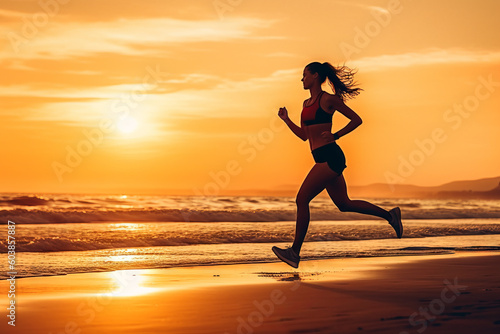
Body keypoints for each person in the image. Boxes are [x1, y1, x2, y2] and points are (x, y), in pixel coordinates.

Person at [272, 61, 403, 269]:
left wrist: (336, 135)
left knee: (301, 199)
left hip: (331, 157)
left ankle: (294, 252)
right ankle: (390, 215)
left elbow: (356, 119)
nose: (302, 79)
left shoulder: (328, 100)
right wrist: (286, 120)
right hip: (321, 158)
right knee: (344, 204)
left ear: (315, 76)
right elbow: (304, 137)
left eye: (305, 75)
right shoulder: (306, 105)